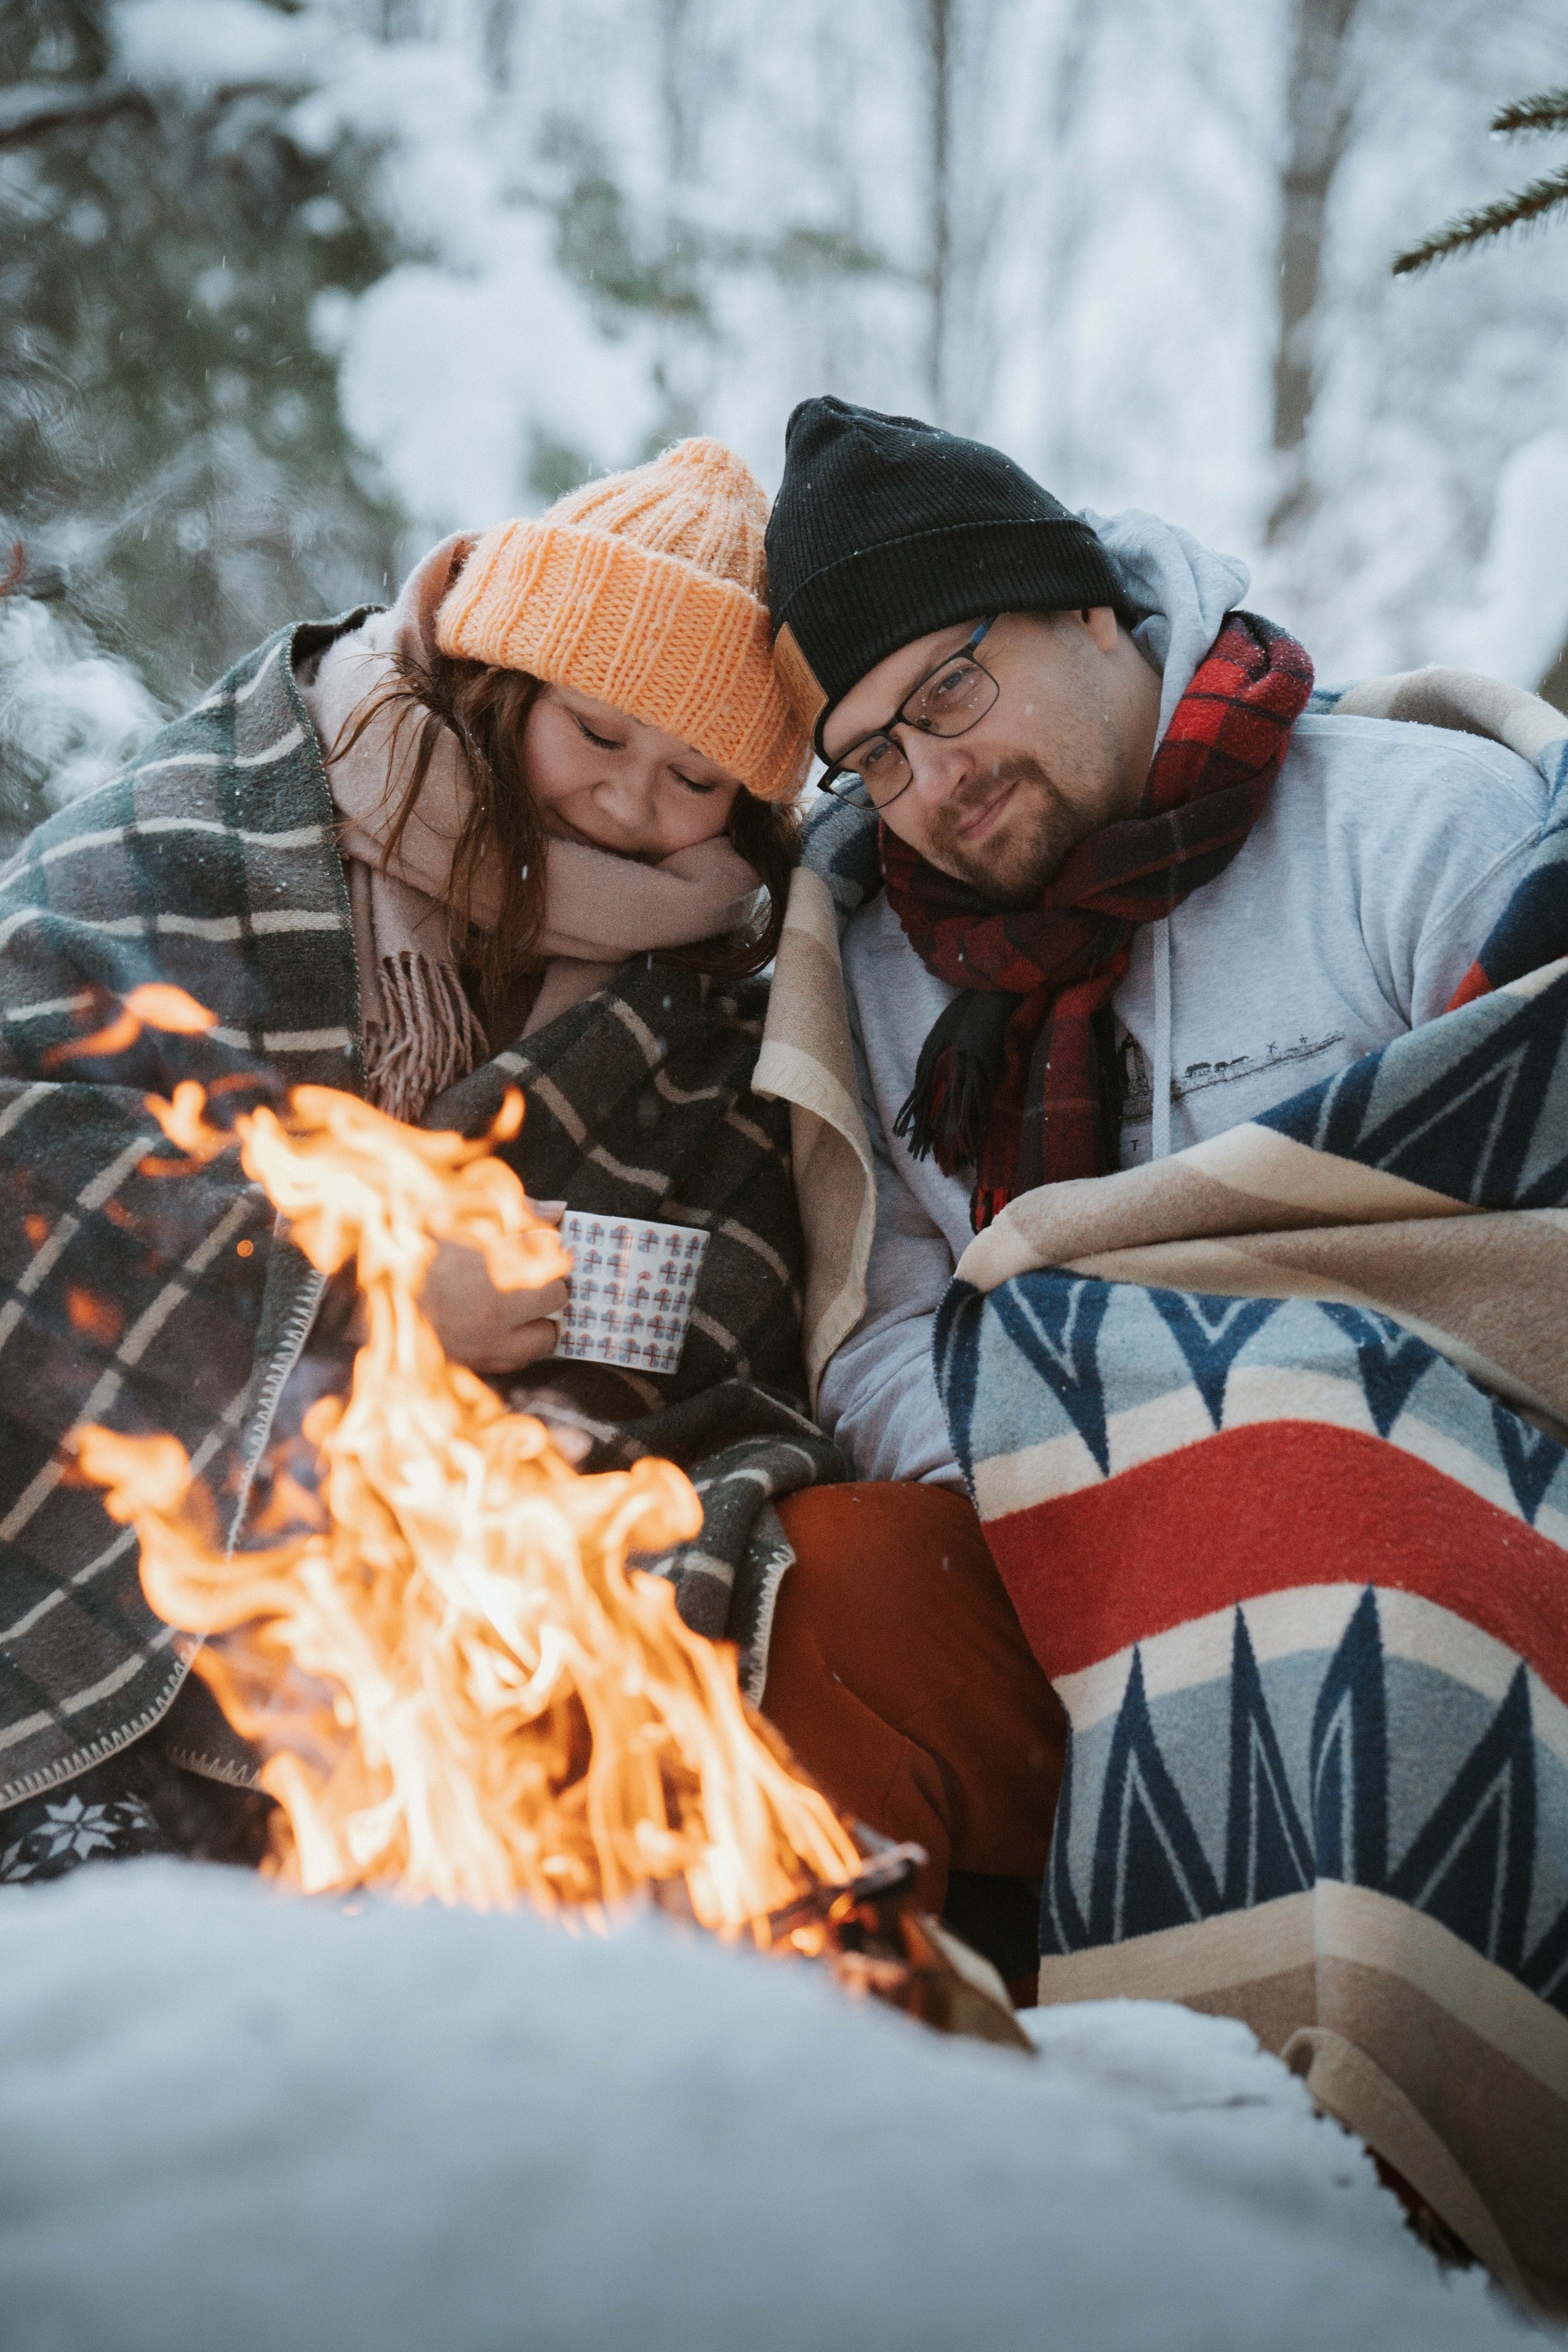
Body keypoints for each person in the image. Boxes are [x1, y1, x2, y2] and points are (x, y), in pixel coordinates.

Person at [749, 401, 1568, 2285]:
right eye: (870, 752)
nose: (927, 783)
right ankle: (834, 2191)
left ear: (1099, 612)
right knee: (817, 1594)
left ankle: (1392, 2210)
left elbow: (1522, 1226)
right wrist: (1075, 1468)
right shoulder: (880, 964)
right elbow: (877, 1326)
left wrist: (1239, 1425)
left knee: (1318, 1525)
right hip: (1055, 1544)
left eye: (952, 694)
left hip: (1438, 1522)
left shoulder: (1409, 827)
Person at [0, 437, 843, 1885]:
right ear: (503, 679)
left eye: (696, 776)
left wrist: (547, 1416)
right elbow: (27, 1132)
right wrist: (347, 1278)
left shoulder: (714, 1003)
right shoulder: (226, 810)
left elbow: (730, 1315)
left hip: (452, 1515)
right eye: (593, 732)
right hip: (135, 1468)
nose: (634, 805)